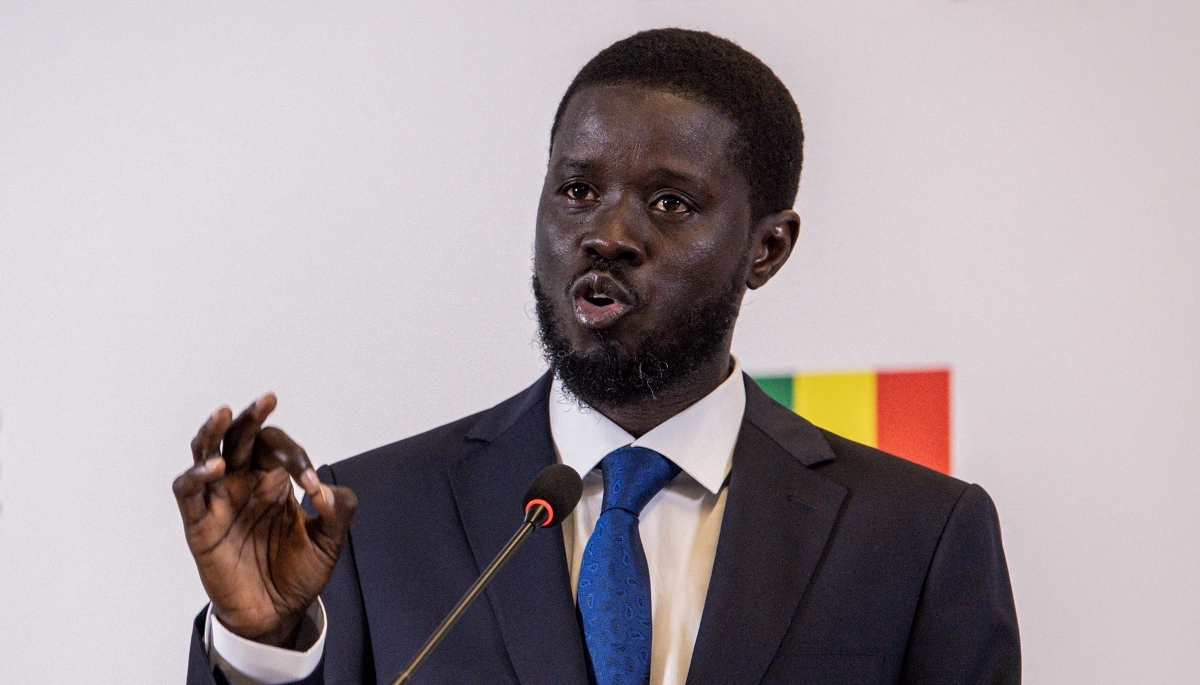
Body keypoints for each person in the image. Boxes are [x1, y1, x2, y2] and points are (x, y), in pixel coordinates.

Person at [174, 28, 1020, 685]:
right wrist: (259, 644)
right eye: (578, 190)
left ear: (767, 248)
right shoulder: (372, 523)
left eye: (670, 201)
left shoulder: (917, 538)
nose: (608, 235)